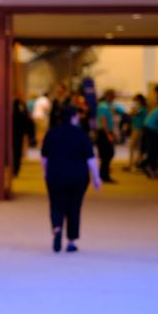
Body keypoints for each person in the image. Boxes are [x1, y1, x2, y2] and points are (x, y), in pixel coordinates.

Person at [41, 106, 102, 253]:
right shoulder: (81, 134)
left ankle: (57, 228)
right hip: (78, 177)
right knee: (74, 207)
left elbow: (44, 157)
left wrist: (45, 172)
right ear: (74, 117)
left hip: (55, 175)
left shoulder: (51, 133)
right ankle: (71, 242)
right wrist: (96, 177)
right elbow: (90, 159)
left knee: (56, 204)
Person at [95, 89, 117, 183]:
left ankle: (104, 174)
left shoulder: (108, 105)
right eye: (113, 95)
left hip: (106, 131)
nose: (114, 97)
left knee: (108, 154)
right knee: (107, 154)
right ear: (108, 96)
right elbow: (103, 121)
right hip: (103, 132)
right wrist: (108, 134)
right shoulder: (103, 106)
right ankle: (104, 175)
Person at [12, 92, 34, 177]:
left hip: (17, 131)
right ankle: (15, 168)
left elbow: (26, 118)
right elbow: (27, 118)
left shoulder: (21, 104)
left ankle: (15, 168)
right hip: (17, 131)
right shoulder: (20, 104)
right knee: (16, 151)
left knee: (16, 151)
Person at [124, 94, 147, 172]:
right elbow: (131, 113)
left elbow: (132, 113)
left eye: (136, 100)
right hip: (135, 128)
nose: (135, 101)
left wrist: (134, 108)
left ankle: (133, 163)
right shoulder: (139, 107)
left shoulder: (143, 108)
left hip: (139, 128)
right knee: (135, 146)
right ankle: (133, 163)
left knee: (134, 146)